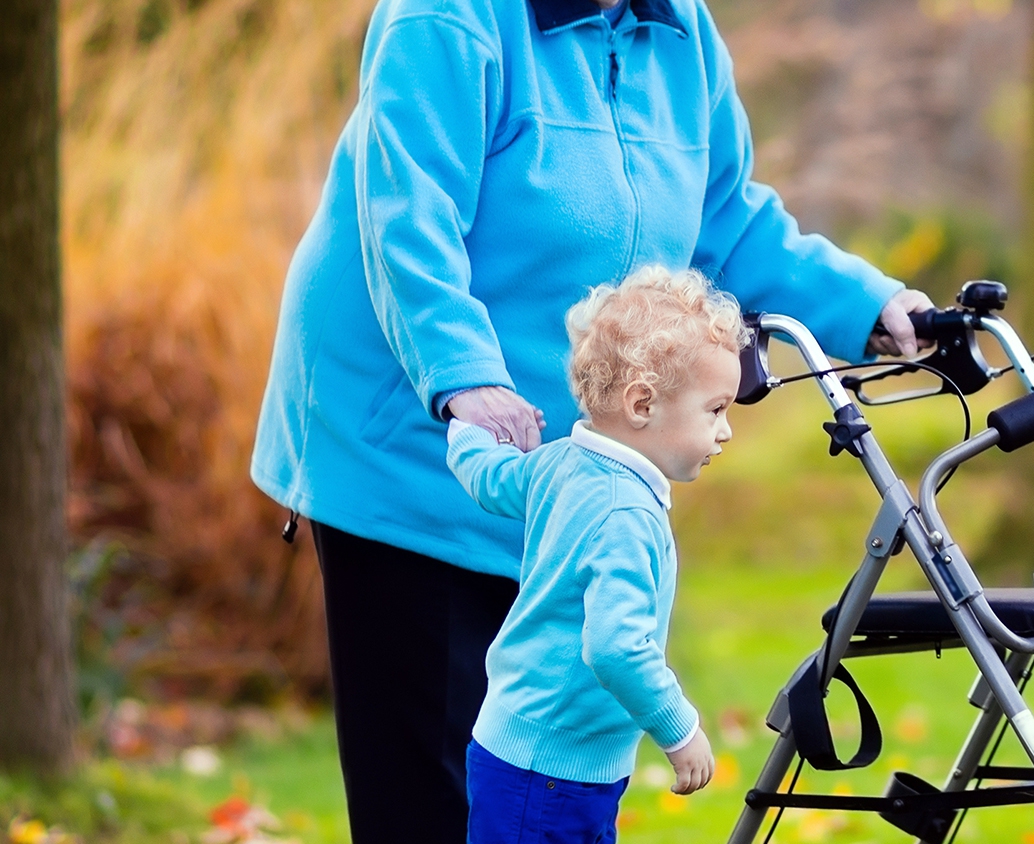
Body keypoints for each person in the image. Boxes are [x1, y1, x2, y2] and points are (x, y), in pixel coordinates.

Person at [251, 0, 933, 839]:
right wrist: (464, 379)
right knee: (431, 797)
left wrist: (875, 306)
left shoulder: (679, 30)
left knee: (537, 793)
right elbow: (407, 214)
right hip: (413, 448)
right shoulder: (449, 18)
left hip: (565, 470)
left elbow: (729, 223)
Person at [448, 266, 738, 842]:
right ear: (641, 404)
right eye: (715, 410)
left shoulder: (562, 464)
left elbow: (489, 478)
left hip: (528, 754)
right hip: (549, 773)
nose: (726, 431)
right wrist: (681, 730)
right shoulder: (623, 513)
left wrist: (467, 430)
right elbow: (615, 647)